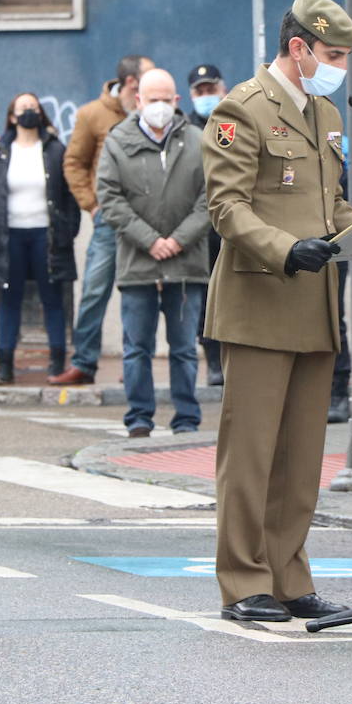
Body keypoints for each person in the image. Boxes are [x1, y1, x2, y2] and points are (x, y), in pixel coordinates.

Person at [202, 0, 352, 623]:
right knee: (251, 456)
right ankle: (244, 581)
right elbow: (227, 208)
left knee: (300, 459)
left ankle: (290, 576)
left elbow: (333, 206)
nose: (339, 67)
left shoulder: (327, 114)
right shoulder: (240, 109)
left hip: (315, 305)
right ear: (297, 48)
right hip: (260, 300)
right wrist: (287, 249)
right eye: (332, 54)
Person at [96, 68, 209, 437]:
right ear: (138, 100)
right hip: (138, 263)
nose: (159, 106)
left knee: (184, 349)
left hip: (186, 263)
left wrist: (178, 240)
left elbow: (211, 198)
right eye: (152, 99)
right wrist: (150, 240)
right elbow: (110, 200)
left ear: (176, 101)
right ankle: (139, 417)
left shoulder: (197, 140)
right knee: (136, 348)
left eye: (166, 99)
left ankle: (187, 418)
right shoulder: (117, 141)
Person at [50, 54, 154, 385]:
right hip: (108, 219)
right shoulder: (91, 114)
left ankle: (136, 366)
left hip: (147, 220)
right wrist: (91, 205)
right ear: (131, 84)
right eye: (148, 78)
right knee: (95, 290)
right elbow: (74, 163)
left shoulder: (154, 114)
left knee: (141, 293)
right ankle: (83, 362)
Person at [0, 93, 78, 385]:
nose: (28, 112)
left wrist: (68, 229)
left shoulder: (55, 149)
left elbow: (69, 194)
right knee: (9, 299)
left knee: (53, 299)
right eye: (22, 108)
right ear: (11, 116)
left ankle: (57, 363)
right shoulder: (1, 152)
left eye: (33, 107)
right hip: (10, 236)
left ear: (41, 113)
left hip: (47, 235)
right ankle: (4, 366)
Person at [186, 63, 227, 386]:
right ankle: (213, 359)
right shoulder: (184, 129)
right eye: (200, 91)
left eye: (210, 89)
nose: (206, 96)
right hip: (201, 226)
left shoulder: (235, 120)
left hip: (234, 221)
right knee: (205, 296)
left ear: (222, 89)